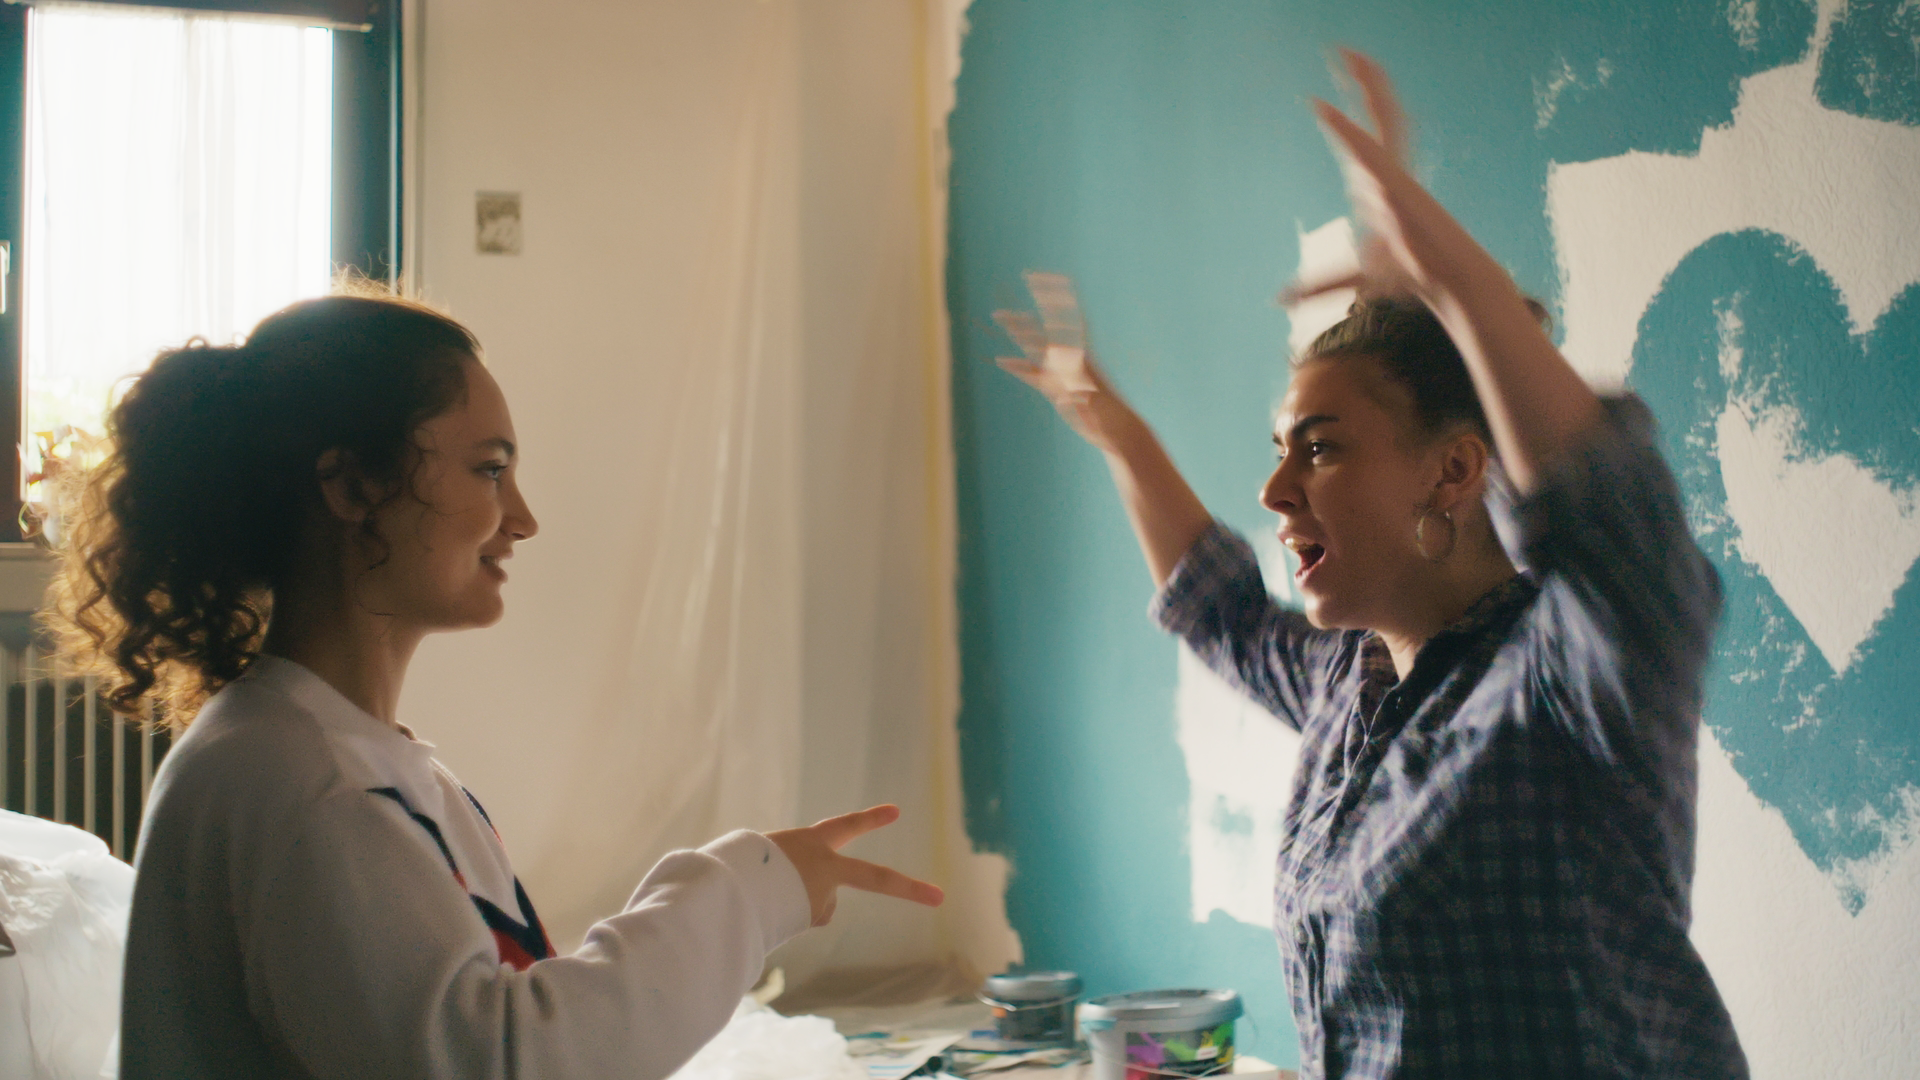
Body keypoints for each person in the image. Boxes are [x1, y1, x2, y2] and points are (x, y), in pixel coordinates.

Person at [995, 52, 1745, 1079]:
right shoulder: (1347, 685)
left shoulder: (1562, 681)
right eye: (1280, 450)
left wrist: (1457, 285)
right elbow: (1219, 612)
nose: (1275, 491)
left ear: (1453, 471)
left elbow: (1613, 527)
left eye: (1320, 448)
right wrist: (1115, 431)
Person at [44, 285, 944, 1079]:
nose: (522, 518)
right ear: (351, 488)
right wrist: (745, 894)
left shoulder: (354, 765)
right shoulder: (307, 788)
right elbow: (501, 1059)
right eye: (488, 470)